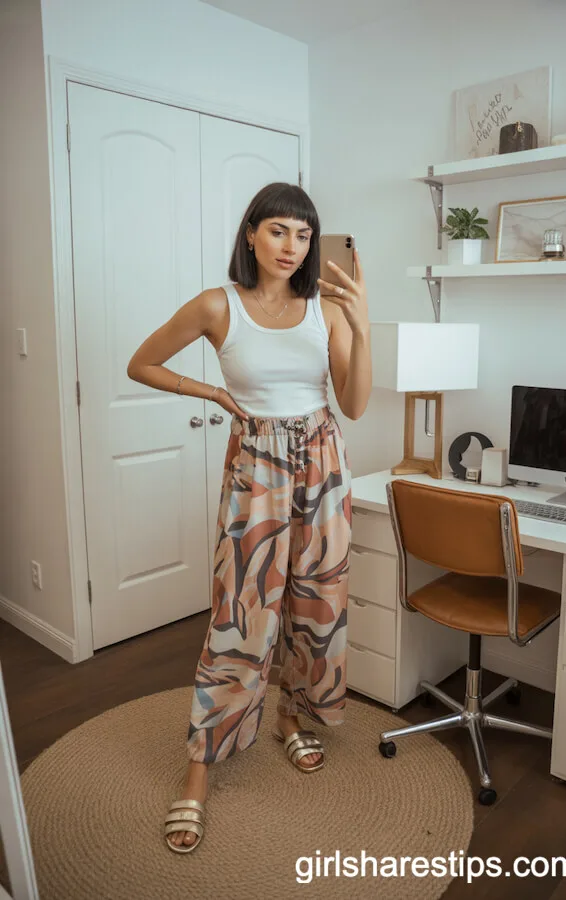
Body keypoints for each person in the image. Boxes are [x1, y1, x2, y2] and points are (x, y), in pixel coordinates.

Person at [127, 182, 372, 854]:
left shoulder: (327, 307)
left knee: (313, 601)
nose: (292, 247)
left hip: (323, 459)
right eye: (279, 232)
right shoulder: (217, 305)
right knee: (241, 610)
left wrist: (363, 322)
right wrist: (210, 390)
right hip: (256, 464)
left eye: (303, 234)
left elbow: (353, 403)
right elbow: (140, 362)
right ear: (251, 235)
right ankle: (199, 770)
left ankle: (291, 717)